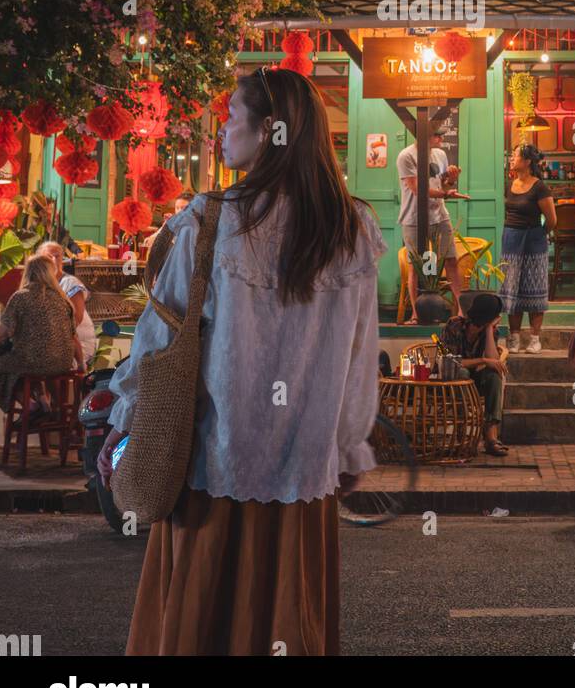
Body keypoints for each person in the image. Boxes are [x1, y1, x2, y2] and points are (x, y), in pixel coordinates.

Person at [99, 67, 385, 657]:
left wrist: (124, 422)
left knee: (201, 623)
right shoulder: (350, 227)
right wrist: (351, 444)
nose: (221, 131)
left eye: (231, 117)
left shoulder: (214, 220)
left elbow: (159, 339)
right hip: (304, 470)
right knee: (288, 619)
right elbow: (361, 355)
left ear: (268, 132)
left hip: (216, 462)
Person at [396, 125, 467, 324]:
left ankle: (461, 311)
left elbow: (442, 185)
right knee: (416, 266)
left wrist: (451, 181)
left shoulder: (440, 155)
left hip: (439, 215)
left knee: (451, 260)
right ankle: (417, 314)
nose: (441, 140)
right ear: (424, 135)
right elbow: (417, 188)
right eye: (437, 135)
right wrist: (446, 193)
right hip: (414, 217)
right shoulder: (406, 156)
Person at [0, 255, 81, 415]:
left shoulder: (21, 297)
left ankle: (30, 404)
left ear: (28, 272)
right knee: (22, 361)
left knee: (10, 364)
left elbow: (3, 332)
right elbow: (73, 336)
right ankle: (43, 399)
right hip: (62, 363)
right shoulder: (62, 299)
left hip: (33, 362)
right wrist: (81, 364)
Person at [500, 142, 556, 353]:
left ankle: (534, 338)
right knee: (511, 287)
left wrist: (539, 233)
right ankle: (514, 337)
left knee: (534, 288)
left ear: (527, 161)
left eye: (515, 156)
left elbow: (551, 220)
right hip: (511, 239)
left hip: (534, 240)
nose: (512, 159)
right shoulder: (509, 184)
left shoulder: (540, 187)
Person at [441, 291, 509, 456]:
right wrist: (483, 361)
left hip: (475, 381)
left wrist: (488, 330)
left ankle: (491, 437)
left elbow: (494, 361)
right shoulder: (454, 326)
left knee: (494, 376)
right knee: (463, 372)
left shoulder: (491, 331)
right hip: (450, 381)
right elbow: (452, 363)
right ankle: (464, 434)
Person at [36, 241, 97, 368]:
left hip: (77, 344)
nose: (53, 260)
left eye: (57, 256)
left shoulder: (70, 283)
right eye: (49, 256)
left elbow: (75, 321)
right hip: (52, 342)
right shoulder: (37, 285)